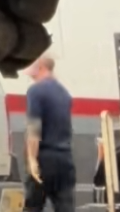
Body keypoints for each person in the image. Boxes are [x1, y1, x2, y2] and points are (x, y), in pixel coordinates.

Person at [23, 55, 76, 212]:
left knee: (33, 207)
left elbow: (34, 129)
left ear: (41, 66)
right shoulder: (64, 93)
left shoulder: (35, 91)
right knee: (65, 208)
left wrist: (32, 160)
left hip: (44, 159)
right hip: (65, 161)